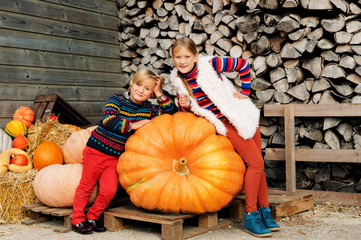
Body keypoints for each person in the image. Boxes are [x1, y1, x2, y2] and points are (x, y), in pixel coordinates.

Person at [170, 37, 280, 238]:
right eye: (178, 57)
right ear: (173, 58)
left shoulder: (210, 64)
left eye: (187, 56)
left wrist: (245, 90)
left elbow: (243, 65)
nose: (183, 61)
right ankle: (251, 215)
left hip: (241, 114)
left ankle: (264, 211)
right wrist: (184, 103)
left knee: (258, 164)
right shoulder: (178, 80)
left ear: (196, 56)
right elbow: (187, 109)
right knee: (255, 164)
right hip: (227, 123)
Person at [71, 69, 177, 235]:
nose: (141, 90)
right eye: (139, 85)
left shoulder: (150, 108)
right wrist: (133, 125)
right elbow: (108, 120)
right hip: (96, 150)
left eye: (147, 89)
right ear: (131, 83)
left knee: (109, 190)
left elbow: (171, 113)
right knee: (86, 186)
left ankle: (92, 216)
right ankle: (77, 219)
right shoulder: (117, 99)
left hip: (116, 158)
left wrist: (159, 93)